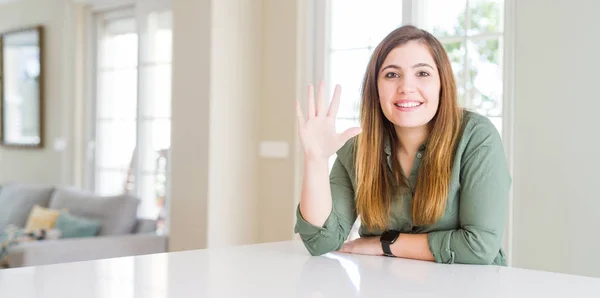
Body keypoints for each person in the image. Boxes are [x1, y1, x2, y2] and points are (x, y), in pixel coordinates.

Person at [294, 25, 511, 265]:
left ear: (442, 84)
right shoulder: (357, 149)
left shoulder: (476, 136)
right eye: (392, 75)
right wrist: (316, 159)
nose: (406, 87)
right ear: (375, 89)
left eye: (422, 74)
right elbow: (321, 242)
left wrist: (384, 244)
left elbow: (479, 247)